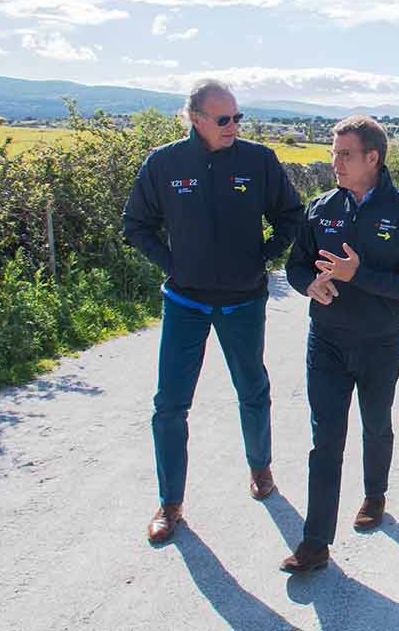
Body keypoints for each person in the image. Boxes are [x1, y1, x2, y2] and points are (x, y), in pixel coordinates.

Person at [122, 79, 303, 544]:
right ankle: (170, 504)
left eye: (238, 118)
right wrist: (172, 263)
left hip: (243, 300)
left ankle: (260, 469)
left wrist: (266, 255)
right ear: (195, 119)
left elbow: (290, 214)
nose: (233, 127)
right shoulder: (164, 163)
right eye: (224, 119)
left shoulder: (257, 160)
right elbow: (136, 225)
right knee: (169, 405)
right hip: (185, 302)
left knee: (253, 389)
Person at [281, 115, 399, 573]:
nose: (335, 162)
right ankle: (315, 542)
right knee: (325, 438)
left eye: (344, 154)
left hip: (380, 343)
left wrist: (357, 275)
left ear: (373, 157)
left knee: (375, 425)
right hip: (325, 341)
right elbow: (295, 267)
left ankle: (374, 495)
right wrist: (311, 284)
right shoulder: (320, 208)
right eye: (333, 152)